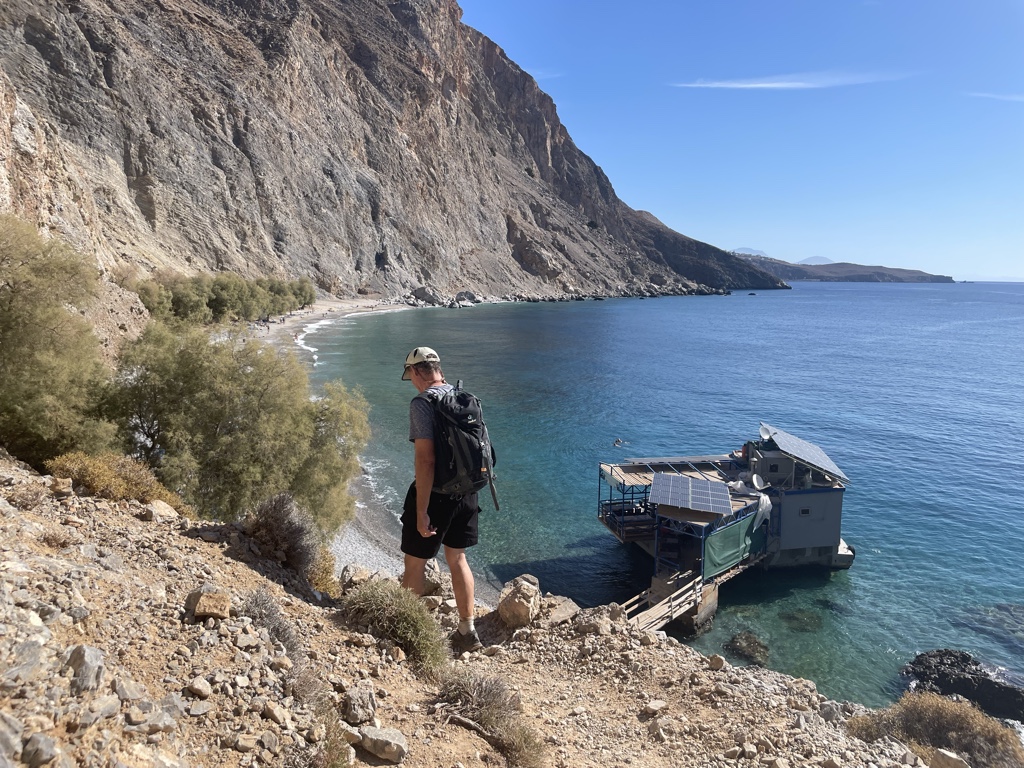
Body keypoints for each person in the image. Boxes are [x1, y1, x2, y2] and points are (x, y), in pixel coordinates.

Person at [400, 346, 483, 653]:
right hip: (469, 493)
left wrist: (422, 510)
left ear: (418, 372)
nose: (411, 382)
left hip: (437, 496)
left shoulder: (423, 403)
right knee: (458, 558)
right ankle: (467, 630)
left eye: (409, 375)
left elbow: (426, 461)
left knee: (415, 563)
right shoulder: (465, 398)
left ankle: (407, 632)